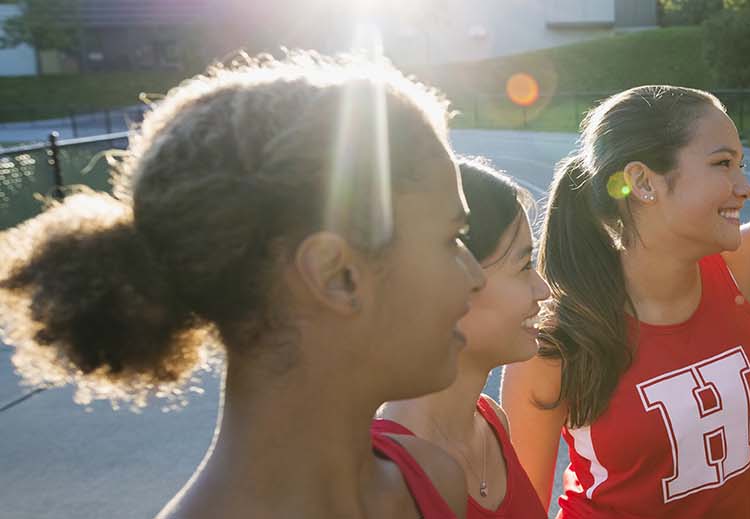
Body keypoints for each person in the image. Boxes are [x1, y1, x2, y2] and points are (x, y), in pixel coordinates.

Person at [0, 52, 481, 519]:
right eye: (451, 239)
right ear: (338, 276)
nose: (476, 276)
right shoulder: (429, 480)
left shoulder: (432, 480)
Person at [500, 85, 750, 517]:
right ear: (643, 182)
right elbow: (522, 508)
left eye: (741, 165)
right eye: (723, 164)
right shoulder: (554, 342)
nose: (745, 188)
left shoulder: (738, 266)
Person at [378, 157, 550, 518]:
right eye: (524, 266)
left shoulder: (492, 422)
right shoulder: (385, 476)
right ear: (451, 281)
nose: (543, 289)